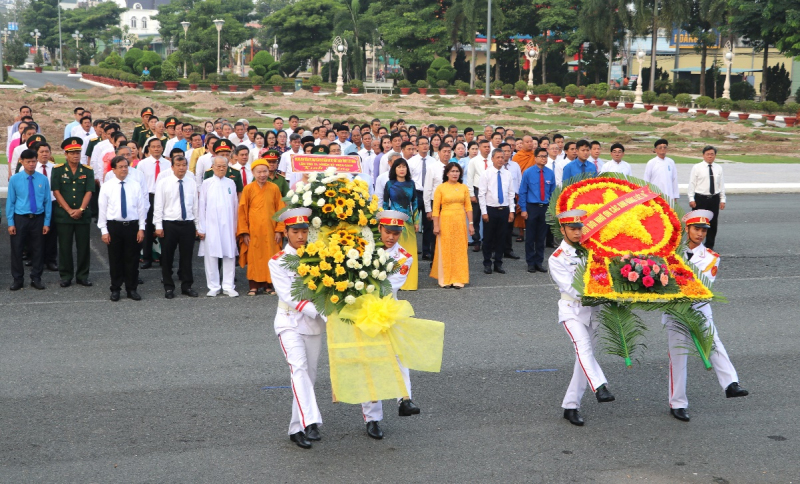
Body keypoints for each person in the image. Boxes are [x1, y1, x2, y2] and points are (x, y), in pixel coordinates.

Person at [662, 210, 748, 422]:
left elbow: (699, 285)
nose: (700, 234)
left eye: (703, 230)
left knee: (714, 344)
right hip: (675, 312)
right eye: (696, 229)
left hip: (699, 309)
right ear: (687, 230)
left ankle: (731, 384)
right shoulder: (670, 254)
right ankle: (678, 403)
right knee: (678, 359)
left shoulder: (711, 257)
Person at [548, 209, 615, 426]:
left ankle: (571, 406)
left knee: (582, 360)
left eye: (579, 228)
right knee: (583, 347)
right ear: (563, 230)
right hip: (572, 310)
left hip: (592, 312)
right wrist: (601, 291)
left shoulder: (591, 250)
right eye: (572, 229)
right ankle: (600, 387)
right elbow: (573, 289)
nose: (577, 233)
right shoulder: (556, 258)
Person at [360, 211, 420, 440]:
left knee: (399, 355)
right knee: (371, 362)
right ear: (380, 230)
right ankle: (372, 418)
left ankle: (405, 399)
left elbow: (388, 286)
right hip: (365, 310)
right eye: (387, 232)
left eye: (396, 233)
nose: (391, 237)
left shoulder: (405, 257)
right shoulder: (365, 250)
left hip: (389, 308)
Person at [269, 207, 326, 449]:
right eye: (295, 231)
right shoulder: (278, 261)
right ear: (286, 232)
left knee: (308, 376)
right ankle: (308, 421)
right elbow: (290, 295)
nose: (301, 236)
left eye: (304, 231)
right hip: (289, 321)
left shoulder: (320, 258)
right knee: (299, 369)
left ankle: (299, 426)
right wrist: (322, 312)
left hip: (313, 325)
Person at [98, 156, 147, 301]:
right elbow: (102, 210)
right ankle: (116, 288)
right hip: (114, 226)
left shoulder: (135, 185)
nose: (124, 169)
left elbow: (141, 208)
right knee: (115, 259)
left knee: (132, 259)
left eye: (126, 166)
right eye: (120, 167)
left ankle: (132, 288)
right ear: (113, 169)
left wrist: (141, 228)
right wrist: (104, 230)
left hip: (132, 226)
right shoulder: (107, 186)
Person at [153, 155, 200, 299]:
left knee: (187, 257)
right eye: (178, 165)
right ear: (172, 167)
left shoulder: (191, 182)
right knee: (167, 257)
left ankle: (187, 286)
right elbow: (159, 205)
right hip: (169, 224)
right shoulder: (163, 183)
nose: (181, 168)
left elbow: (195, 206)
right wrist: (158, 225)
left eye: (184, 165)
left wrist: (198, 226)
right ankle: (168, 287)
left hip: (187, 224)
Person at [237, 159, 286, 296]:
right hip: (253, 231)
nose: (262, 174)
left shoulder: (274, 188)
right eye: (259, 172)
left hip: (271, 231)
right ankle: (253, 286)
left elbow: (280, 210)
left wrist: (279, 230)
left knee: (271, 257)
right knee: (254, 257)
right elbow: (242, 211)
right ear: (253, 172)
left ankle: (269, 285)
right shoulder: (248, 189)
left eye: (265, 171)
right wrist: (244, 232)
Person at [50, 138, 95, 287]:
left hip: (82, 215)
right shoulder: (58, 170)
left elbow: (89, 191)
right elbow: (56, 191)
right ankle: (66, 275)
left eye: (78, 152)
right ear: (66, 154)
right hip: (64, 215)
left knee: (83, 247)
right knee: (64, 246)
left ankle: (82, 275)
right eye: (72, 153)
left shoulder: (87, 170)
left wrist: (81, 209)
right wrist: (69, 210)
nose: (76, 155)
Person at [6, 149, 52, 291]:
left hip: (37, 218)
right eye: (28, 162)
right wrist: (10, 222)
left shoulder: (43, 179)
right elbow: (10, 202)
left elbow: (47, 202)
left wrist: (46, 222)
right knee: (17, 249)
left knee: (38, 250)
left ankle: (36, 278)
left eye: (34, 161)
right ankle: (18, 279)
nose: (31, 164)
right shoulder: (15, 179)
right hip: (20, 218)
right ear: (22, 162)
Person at [198, 156, 240, 297]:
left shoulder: (231, 183)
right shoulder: (207, 183)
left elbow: (235, 206)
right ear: (213, 167)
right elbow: (201, 206)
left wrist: (236, 227)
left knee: (229, 255)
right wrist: (201, 227)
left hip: (228, 225)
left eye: (224, 166)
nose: (221, 168)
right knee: (211, 256)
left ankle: (228, 286)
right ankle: (214, 286)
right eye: (218, 166)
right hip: (211, 225)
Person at [430, 162, 473, 288]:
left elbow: (468, 207)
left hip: (460, 221)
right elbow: (436, 208)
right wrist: (436, 225)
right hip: (445, 221)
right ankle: (445, 278)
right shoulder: (441, 188)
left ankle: (459, 278)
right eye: (452, 171)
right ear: (447, 173)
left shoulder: (464, 188)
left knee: (460, 249)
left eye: (457, 171)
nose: (455, 174)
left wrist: (471, 224)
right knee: (446, 249)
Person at [383, 158, 419, 291]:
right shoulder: (389, 184)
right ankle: (392, 281)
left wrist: (416, 221)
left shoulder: (411, 184)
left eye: (404, 166)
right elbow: (386, 204)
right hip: (393, 222)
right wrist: (385, 222)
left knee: (408, 252)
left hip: (408, 222)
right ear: (394, 169)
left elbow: (414, 203)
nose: (402, 169)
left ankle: (409, 282)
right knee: (394, 251)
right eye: (399, 167)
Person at [478, 149, 515, 274]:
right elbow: (481, 194)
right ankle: (487, 263)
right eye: (498, 157)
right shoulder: (486, 174)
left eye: (502, 157)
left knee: (501, 238)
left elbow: (511, 194)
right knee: (488, 238)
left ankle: (498, 263)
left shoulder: (507, 174)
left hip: (504, 210)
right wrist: (484, 212)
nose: (500, 159)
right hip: (490, 209)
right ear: (492, 159)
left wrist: (512, 211)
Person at [519, 148, 556, 273]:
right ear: (535, 158)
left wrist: (552, 209)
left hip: (544, 208)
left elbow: (552, 192)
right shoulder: (528, 172)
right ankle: (530, 262)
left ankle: (539, 262)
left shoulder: (550, 173)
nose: (544, 158)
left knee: (541, 237)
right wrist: (523, 209)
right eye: (541, 156)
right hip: (532, 207)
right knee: (530, 237)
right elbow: (523, 192)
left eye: (545, 156)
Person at [137, 137, 172, 269]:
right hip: (149, 197)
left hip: (165, 198)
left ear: (162, 148)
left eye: (159, 146)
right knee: (148, 228)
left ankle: (165, 258)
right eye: (153, 146)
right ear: (149, 149)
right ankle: (147, 257)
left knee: (165, 228)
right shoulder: (143, 164)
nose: (156, 149)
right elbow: (139, 184)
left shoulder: (169, 164)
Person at [687, 146, 725, 250]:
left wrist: (722, 199)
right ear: (703, 155)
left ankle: (709, 247)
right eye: (707, 154)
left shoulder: (719, 168)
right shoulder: (697, 167)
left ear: (715, 155)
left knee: (712, 223)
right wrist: (691, 198)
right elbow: (692, 183)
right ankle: (694, 246)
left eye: (712, 154)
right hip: (700, 199)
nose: (710, 156)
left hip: (714, 198)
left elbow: (721, 185)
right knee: (697, 223)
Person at [408, 137, 435, 260]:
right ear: (417, 147)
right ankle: (412, 249)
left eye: (426, 144)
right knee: (412, 222)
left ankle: (426, 251)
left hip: (429, 194)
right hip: (416, 193)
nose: (424, 146)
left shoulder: (433, 162)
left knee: (428, 224)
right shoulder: (411, 161)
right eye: (422, 144)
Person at [466, 140, 492, 251]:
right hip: (477, 190)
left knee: (489, 217)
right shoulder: (474, 161)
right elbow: (470, 178)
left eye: (488, 147)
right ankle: (476, 241)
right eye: (484, 147)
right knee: (476, 217)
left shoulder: (493, 160)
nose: (487, 149)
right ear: (480, 148)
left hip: (490, 192)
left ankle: (488, 241)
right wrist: (471, 194)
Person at [511, 136, 537, 242]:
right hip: (521, 185)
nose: (530, 144)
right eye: (527, 142)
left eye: (531, 142)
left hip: (533, 186)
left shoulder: (535, 155)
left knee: (533, 210)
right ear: (522, 143)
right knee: (520, 209)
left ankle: (532, 233)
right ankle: (521, 233)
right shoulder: (517, 157)